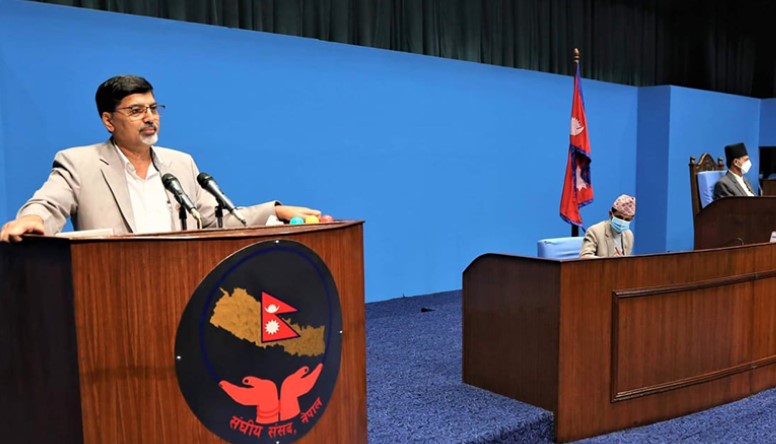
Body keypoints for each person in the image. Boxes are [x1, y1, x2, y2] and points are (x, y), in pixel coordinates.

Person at [0, 75, 319, 242]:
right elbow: (49, 202)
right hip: (113, 286)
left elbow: (213, 219)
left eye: (153, 108)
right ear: (109, 120)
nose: (150, 117)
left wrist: (274, 211)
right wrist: (33, 219)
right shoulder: (79, 163)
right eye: (136, 110)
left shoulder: (180, 163)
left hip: (179, 281)